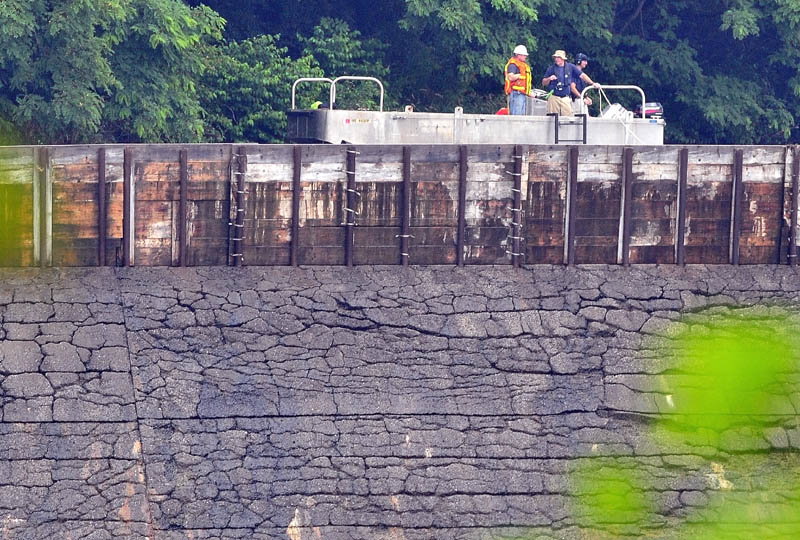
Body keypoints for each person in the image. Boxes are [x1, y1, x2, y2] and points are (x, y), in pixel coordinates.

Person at [541, 50, 599, 116]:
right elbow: (543, 82)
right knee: (553, 118)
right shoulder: (551, 69)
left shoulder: (571, 67)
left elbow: (582, 75)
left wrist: (592, 83)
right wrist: (549, 78)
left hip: (565, 98)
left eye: (558, 57)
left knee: (567, 118)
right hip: (554, 97)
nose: (556, 59)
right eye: (555, 57)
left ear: (563, 59)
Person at [504, 45, 532, 115]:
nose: (525, 56)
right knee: (517, 116)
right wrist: (519, 75)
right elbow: (510, 77)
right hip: (516, 94)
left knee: (521, 116)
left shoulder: (522, 65)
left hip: (521, 94)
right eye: (524, 55)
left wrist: (529, 93)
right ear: (518, 55)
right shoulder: (513, 65)